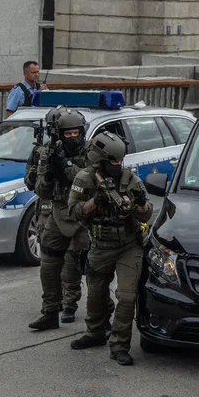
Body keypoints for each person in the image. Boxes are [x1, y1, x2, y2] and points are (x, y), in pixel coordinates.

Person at [68, 128, 153, 365]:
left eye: (120, 160)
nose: (117, 164)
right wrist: (95, 202)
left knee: (126, 296)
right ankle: (95, 332)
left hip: (129, 245)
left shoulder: (131, 180)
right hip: (100, 245)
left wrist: (138, 207)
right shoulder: (85, 179)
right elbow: (73, 212)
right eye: (112, 160)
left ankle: (119, 345)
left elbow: (146, 215)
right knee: (95, 293)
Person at [25, 107, 92, 330]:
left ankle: (96, 317)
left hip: (83, 215)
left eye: (75, 133)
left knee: (87, 266)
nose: (72, 138)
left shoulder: (92, 152)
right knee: (49, 263)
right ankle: (50, 311)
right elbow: (41, 190)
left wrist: (67, 167)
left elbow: (88, 184)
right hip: (57, 211)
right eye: (67, 134)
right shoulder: (49, 152)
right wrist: (51, 173)